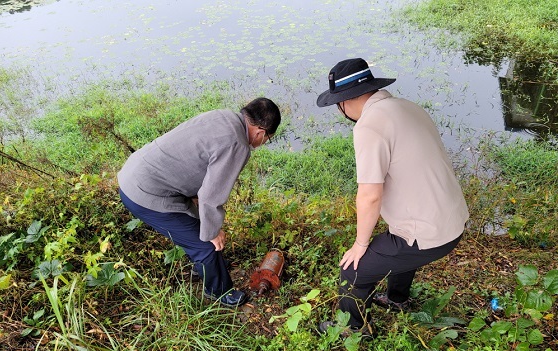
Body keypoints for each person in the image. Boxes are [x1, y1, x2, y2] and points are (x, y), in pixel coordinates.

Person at [315, 58, 469, 335]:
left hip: (428, 233)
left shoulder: (369, 126)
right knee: (395, 239)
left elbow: (370, 195)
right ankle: (397, 299)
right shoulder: (409, 107)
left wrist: (360, 244)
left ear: (345, 100)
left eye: (338, 103)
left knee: (353, 272)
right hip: (454, 220)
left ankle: (353, 329)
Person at [117, 97, 281, 307]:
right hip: (146, 193)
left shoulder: (224, 116)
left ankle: (204, 267)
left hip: (135, 172)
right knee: (206, 245)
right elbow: (211, 196)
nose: (264, 142)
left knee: (199, 226)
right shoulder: (238, 144)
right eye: (268, 138)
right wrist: (213, 233)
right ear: (261, 131)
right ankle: (219, 292)